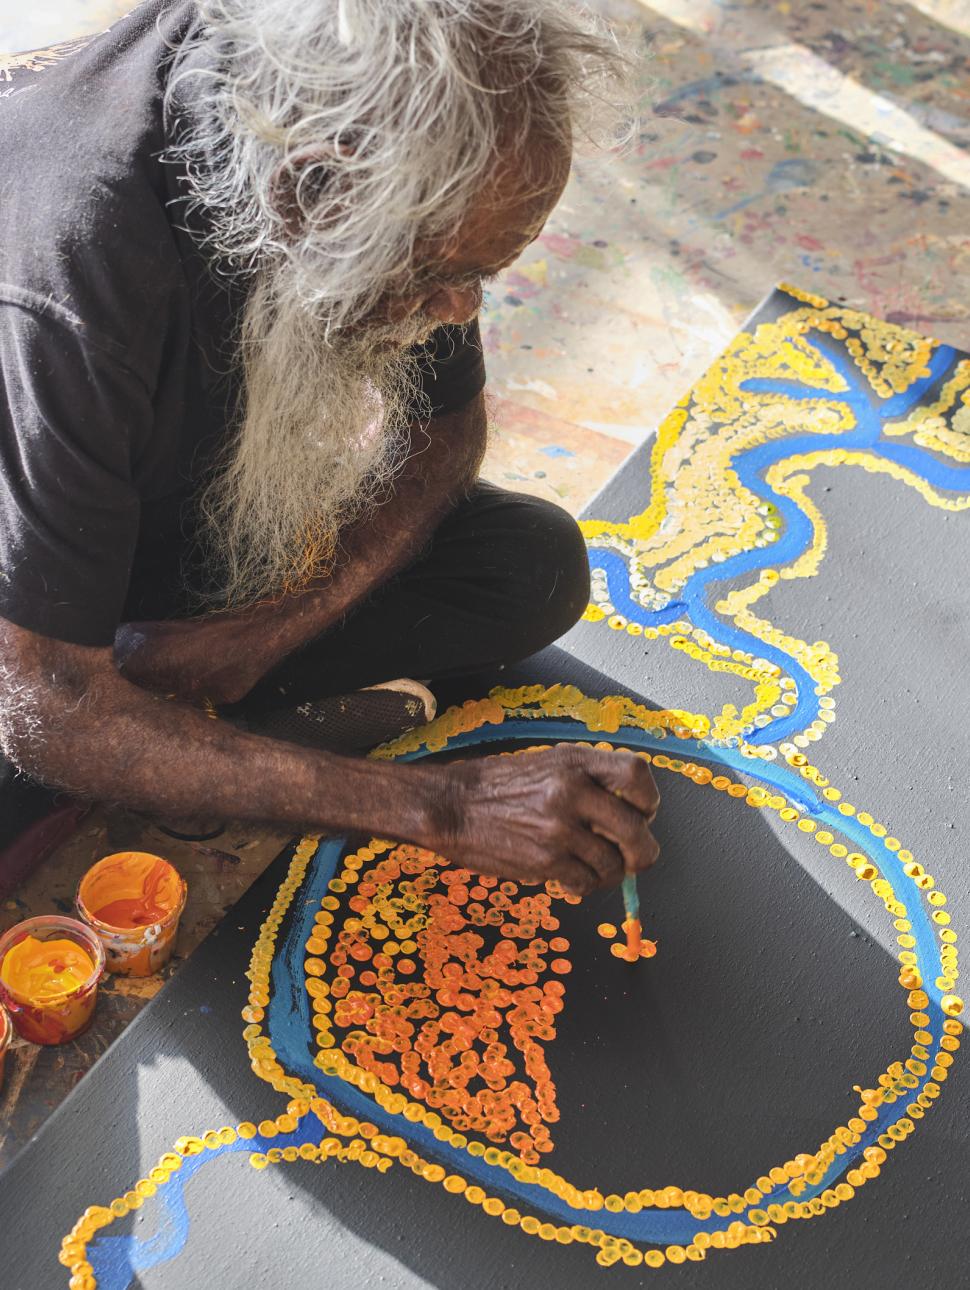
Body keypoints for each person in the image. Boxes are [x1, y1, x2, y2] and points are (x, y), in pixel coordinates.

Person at [0, 0, 659, 894]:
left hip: (167, 550)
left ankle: (184, 742)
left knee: (530, 564)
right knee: (39, 749)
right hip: (29, 602)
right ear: (306, 194)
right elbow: (46, 698)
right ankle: (168, 748)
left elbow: (445, 428)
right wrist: (444, 808)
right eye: (443, 276)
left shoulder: (398, 147)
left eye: (481, 277)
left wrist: (274, 627)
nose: (461, 309)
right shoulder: (72, 265)